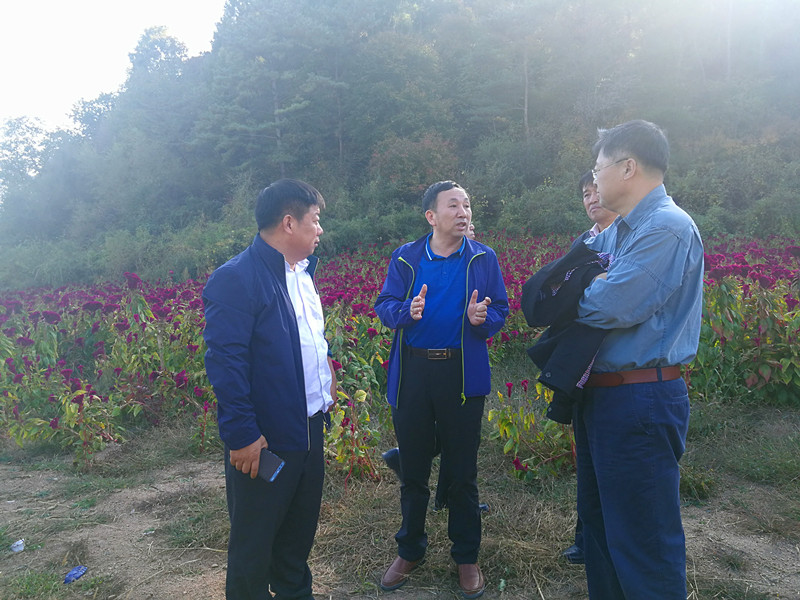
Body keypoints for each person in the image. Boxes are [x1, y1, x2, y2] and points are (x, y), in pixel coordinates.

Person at [574, 120, 704, 598]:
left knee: (644, 540)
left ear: (627, 167)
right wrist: (580, 288)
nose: (594, 180)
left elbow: (609, 304)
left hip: (640, 398)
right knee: (602, 530)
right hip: (604, 397)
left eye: (598, 168)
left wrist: (579, 293)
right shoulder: (619, 231)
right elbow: (563, 281)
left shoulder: (667, 227)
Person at [203, 178, 337, 600]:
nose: (320, 230)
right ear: (289, 223)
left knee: (297, 535)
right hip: (266, 437)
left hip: (309, 428)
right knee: (254, 544)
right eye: (315, 220)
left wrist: (326, 388)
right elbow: (225, 364)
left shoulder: (302, 273)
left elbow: (308, 344)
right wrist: (242, 434)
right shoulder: (237, 278)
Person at [375, 181, 508, 599]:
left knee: (463, 472)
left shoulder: (483, 258)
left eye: (467, 204)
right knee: (414, 470)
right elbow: (384, 304)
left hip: (461, 375)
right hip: (414, 373)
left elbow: (501, 308)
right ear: (431, 216)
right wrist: (405, 310)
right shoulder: (407, 257)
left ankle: (466, 556)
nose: (463, 211)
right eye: (453, 205)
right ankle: (409, 550)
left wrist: (482, 319)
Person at [563, 169, 619, 565]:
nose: (591, 199)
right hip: (583, 364)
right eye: (585, 194)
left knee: (612, 462)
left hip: (616, 364)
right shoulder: (582, 243)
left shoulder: (629, 238)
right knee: (586, 459)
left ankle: (610, 541)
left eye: (596, 191)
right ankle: (586, 538)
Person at [570, 170, 618, 249]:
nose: (592, 200)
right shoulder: (580, 244)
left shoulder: (636, 236)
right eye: (587, 195)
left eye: (599, 191)